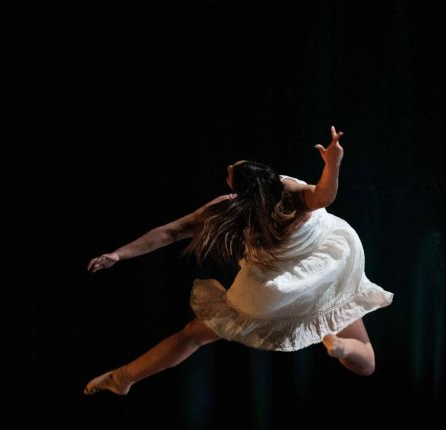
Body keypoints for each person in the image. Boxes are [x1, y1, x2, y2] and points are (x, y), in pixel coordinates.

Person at [83, 126, 393, 396]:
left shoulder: (228, 208)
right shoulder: (290, 193)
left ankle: (123, 377)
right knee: (366, 362)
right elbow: (324, 196)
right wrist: (333, 162)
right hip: (323, 270)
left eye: (232, 170)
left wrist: (119, 254)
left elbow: (171, 232)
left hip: (274, 290)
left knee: (193, 334)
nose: (230, 167)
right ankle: (338, 345)